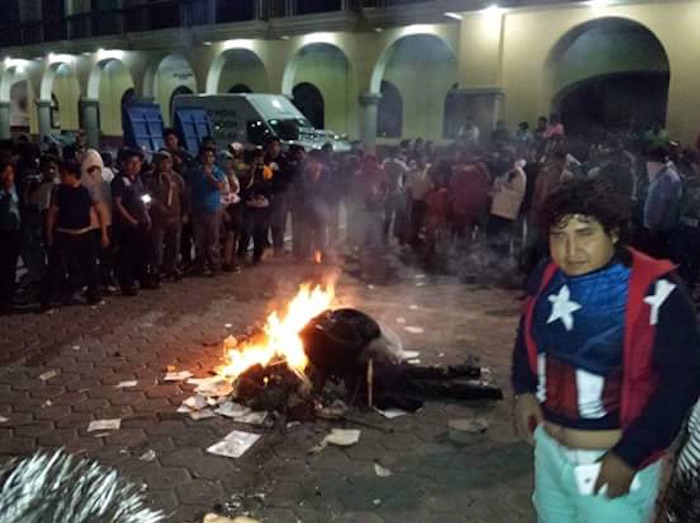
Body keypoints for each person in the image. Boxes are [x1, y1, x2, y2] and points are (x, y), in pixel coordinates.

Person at [511, 177, 700, 523]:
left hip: (610, 461)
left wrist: (630, 455)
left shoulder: (658, 291)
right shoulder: (547, 274)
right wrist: (523, 389)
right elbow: (526, 335)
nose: (570, 250)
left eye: (585, 233)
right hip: (550, 454)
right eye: (559, 236)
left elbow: (681, 384)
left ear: (613, 232)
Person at [41, 161, 108, 310]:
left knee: (91, 267)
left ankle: (94, 296)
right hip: (63, 234)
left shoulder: (88, 190)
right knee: (55, 268)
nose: (62, 177)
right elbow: (52, 213)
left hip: (84, 234)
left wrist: (104, 233)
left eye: (65, 174)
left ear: (73, 175)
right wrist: (49, 234)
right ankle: (47, 301)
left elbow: (100, 211)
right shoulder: (58, 191)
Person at [112, 149, 154, 295]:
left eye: (138, 163)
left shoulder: (138, 179)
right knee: (127, 256)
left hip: (141, 221)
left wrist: (146, 213)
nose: (135, 166)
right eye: (132, 163)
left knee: (143, 253)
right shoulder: (119, 180)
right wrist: (131, 220)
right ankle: (127, 284)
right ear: (124, 164)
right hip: (127, 225)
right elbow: (117, 204)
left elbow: (144, 197)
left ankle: (143, 278)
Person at [144, 151, 187, 281]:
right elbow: (144, 196)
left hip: (174, 218)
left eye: (167, 162)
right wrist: (155, 204)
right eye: (161, 162)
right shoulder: (149, 178)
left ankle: (171, 268)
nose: (165, 165)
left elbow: (184, 196)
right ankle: (156, 269)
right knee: (156, 246)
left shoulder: (177, 178)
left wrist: (184, 213)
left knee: (174, 244)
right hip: (157, 219)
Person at [189, 145, 225, 276]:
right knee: (199, 239)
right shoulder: (194, 172)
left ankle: (215, 266)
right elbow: (189, 189)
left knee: (212, 239)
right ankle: (200, 265)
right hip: (198, 209)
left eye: (210, 156)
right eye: (205, 156)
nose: (207, 158)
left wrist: (209, 175)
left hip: (212, 209)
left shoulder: (218, 172)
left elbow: (220, 186)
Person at [640, 146, 681, 259]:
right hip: (655, 228)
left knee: (653, 257)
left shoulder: (667, 178)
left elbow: (661, 205)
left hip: (658, 230)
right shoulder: (662, 174)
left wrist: (654, 226)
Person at [239, 149, 272, 265]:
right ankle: (242, 255)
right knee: (246, 231)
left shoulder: (265, 171)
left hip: (261, 207)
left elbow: (268, 187)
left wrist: (263, 197)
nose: (259, 161)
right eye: (256, 159)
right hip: (248, 206)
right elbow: (243, 188)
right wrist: (251, 172)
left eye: (261, 159)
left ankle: (257, 257)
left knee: (260, 232)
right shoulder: (244, 172)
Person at [488, 159, 527, 256]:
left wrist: (503, 188)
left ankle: (501, 263)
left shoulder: (520, 176)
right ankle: (489, 258)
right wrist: (493, 191)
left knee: (503, 241)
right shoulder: (505, 173)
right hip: (496, 210)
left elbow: (518, 195)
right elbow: (497, 186)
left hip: (507, 213)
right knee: (492, 238)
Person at [0, 161, 21, 313]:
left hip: (14, 232)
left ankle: (9, 297)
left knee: (11, 266)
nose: (8, 177)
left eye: (11, 173)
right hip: (1, 231)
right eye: (5, 173)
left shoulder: (15, 188)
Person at [265, 136, 289, 257]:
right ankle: (263, 249)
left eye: (276, 145)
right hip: (265, 195)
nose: (274, 148)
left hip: (280, 194)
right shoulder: (264, 159)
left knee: (279, 224)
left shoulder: (284, 160)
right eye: (271, 146)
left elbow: (288, 178)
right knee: (263, 223)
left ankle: (278, 249)